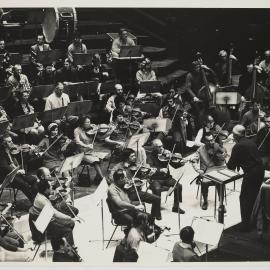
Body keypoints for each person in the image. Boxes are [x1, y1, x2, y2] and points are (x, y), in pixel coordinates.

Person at [227, 124, 264, 231]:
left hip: (251, 173)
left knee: (244, 198)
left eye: (233, 135)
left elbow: (231, 166)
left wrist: (228, 157)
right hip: (259, 171)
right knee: (253, 197)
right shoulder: (250, 142)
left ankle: (245, 225)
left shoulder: (238, 146)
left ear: (235, 135)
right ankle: (252, 221)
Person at [109, 148, 162, 220]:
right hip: (125, 193)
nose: (134, 157)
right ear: (126, 157)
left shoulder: (136, 165)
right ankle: (146, 219)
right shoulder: (118, 166)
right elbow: (111, 178)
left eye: (135, 156)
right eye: (132, 156)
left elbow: (143, 176)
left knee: (157, 199)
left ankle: (154, 215)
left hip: (135, 191)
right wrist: (126, 179)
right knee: (141, 204)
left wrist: (149, 174)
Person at [29, 180, 77, 252]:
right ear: (46, 190)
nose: (51, 188)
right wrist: (70, 218)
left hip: (43, 219)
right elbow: (55, 213)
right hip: (43, 224)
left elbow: (52, 204)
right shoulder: (42, 200)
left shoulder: (40, 195)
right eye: (50, 187)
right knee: (68, 229)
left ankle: (57, 246)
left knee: (70, 223)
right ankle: (70, 251)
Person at [148, 139, 185, 214]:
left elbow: (174, 165)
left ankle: (176, 207)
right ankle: (156, 211)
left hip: (167, 178)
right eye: (158, 147)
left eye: (162, 146)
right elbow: (149, 169)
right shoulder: (150, 156)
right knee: (157, 189)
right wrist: (160, 170)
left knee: (178, 186)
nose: (161, 148)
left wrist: (181, 163)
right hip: (156, 179)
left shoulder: (166, 154)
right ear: (154, 148)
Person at [191, 132, 227, 210]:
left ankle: (221, 204)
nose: (212, 142)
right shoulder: (200, 149)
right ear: (205, 142)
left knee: (220, 183)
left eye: (213, 140)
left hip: (216, 170)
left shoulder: (217, 145)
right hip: (206, 172)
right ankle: (205, 201)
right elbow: (193, 160)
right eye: (209, 141)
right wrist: (198, 170)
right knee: (204, 183)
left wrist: (224, 154)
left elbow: (224, 152)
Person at [0, 134, 38, 202]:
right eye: (9, 142)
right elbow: (4, 167)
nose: (12, 143)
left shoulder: (11, 151)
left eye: (11, 141)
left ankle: (37, 199)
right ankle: (34, 202)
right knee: (24, 185)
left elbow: (24, 161)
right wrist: (17, 171)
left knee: (33, 179)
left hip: (16, 173)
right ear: (4, 144)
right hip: (7, 176)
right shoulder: (1, 153)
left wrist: (30, 153)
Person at [74, 115, 104, 184]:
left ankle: (97, 178)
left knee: (101, 158)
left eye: (89, 122)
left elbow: (101, 137)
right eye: (87, 122)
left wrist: (109, 131)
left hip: (90, 151)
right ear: (82, 123)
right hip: (81, 153)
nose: (89, 124)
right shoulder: (77, 130)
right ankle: (102, 178)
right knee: (96, 161)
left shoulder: (91, 129)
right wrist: (86, 145)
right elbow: (78, 142)